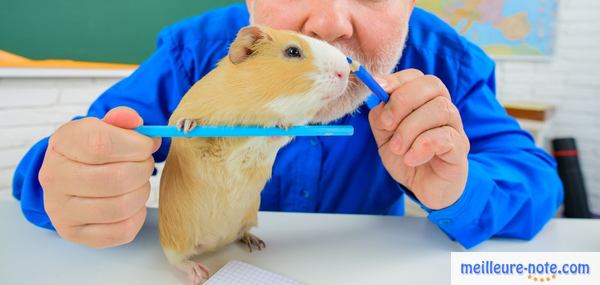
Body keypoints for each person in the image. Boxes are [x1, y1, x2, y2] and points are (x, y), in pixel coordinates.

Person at [13, 0, 563, 249]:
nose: (328, 23)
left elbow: (535, 181)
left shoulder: (448, 59)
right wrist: (69, 176)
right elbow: (78, 148)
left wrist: (460, 186)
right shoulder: (195, 51)